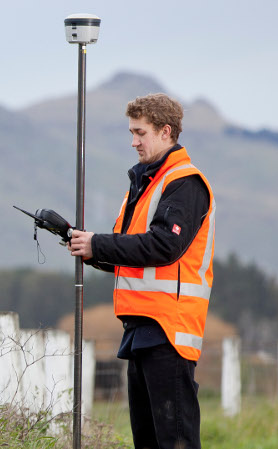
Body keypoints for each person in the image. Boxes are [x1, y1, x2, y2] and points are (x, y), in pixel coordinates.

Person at [68, 93, 214, 449]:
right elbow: (128, 253)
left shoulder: (184, 183)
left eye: (140, 132)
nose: (133, 141)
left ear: (166, 132)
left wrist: (99, 244)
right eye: (132, 132)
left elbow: (164, 246)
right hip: (140, 330)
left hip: (169, 330)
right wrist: (85, 247)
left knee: (175, 441)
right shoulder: (144, 184)